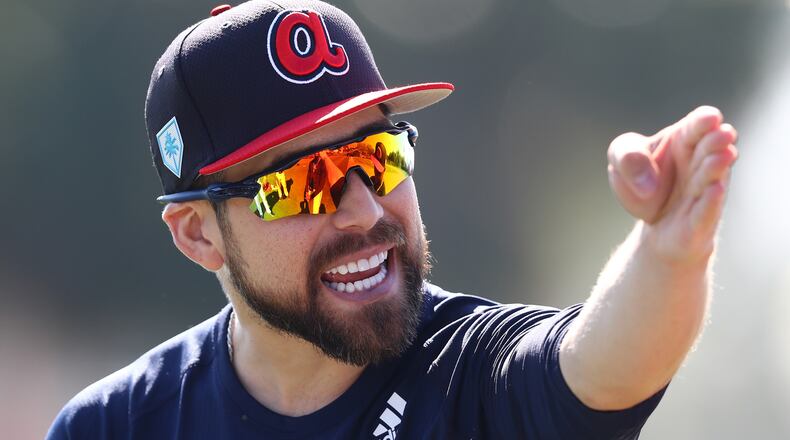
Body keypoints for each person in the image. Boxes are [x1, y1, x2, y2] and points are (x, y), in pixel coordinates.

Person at [47, 1, 739, 439]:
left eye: (379, 156)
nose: (365, 209)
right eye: (303, 183)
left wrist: (668, 251)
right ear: (199, 234)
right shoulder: (113, 427)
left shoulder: (472, 376)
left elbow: (603, 364)